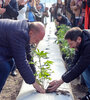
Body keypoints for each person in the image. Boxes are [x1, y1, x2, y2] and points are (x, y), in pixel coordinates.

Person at [0, 19, 45, 93]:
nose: (36, 43)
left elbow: (28, 55)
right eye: (37, 40)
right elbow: (21, 61)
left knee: (9, 63)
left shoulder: (25, 30)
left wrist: (34, 74)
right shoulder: (20, 33)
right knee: (4, 66)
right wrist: (33, 82)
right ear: (31, 33)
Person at [47, 27, 90, 100]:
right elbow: (74, 63)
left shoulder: (88, 46)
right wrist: (62, 78)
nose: (70, 47)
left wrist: (61, 81)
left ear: (79, 39)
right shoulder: (80, 42)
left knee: (84, 67)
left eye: (71, 43)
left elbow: (79, 67)